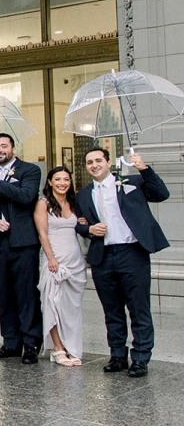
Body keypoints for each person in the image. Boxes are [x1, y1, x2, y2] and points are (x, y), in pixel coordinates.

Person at [74, 148, 170, 378]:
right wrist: (89, 229)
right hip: (103, 256)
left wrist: (143, 168)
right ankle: (117, 355)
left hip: (132, 253)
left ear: (108, 163)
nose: (94, 165)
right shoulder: (83, 194)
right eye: (89, 162)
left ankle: (140, 357)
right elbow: (79, 225)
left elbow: (161, 193)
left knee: (138, 308)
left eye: (98, 160)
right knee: (112, 310)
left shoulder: (131, 182)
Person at [0, 132, 43, 364]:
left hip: (23, 242)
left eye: (4, 146)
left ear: (13, 148)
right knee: (4, 293)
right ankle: (11, 342)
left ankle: (31, 342)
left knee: (26, 293)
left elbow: (26, 197)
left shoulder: (30, 171)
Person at [34, 166, 86, 367]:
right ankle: (57, 348)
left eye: (66, 179)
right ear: (50, 182)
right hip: (54, 258)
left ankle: (71, 346)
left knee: (71, 308)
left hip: (75, 260)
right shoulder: (43, 204)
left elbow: (80, 227)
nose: (62, 183)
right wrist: (51, 258)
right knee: (52, 304)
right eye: (58, 179)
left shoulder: (74, 203)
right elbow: (42, 233)